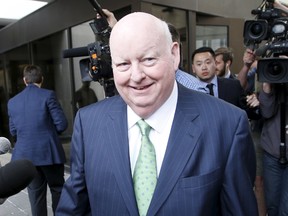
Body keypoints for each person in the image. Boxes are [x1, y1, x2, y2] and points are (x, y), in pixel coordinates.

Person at [56, 12, 258, 215]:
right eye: (123, 64)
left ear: (174, 55)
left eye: (148, 59)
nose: (136, 76)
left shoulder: (227, 125)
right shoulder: (89, 123)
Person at [7, 65, 68, 216]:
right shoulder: (48, 95)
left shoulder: (13, 102)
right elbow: (62, 124)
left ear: (24, 80)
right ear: (41, 79)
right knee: (58, 189)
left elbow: (13, 131)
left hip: (26, 157)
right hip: (49, 153)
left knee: (35, 195)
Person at [259, 81, 288, 216]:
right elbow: (267, 112)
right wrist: (267, 86)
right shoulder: (272, 86)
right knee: (272, 206)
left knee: (285, 209)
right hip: (272, 152)